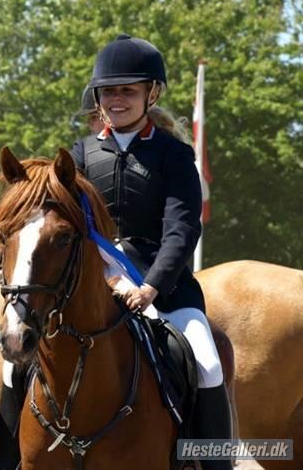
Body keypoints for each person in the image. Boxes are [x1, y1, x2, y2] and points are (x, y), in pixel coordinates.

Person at [70, 34, 232, 470]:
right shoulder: (80, 155)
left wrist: (151, 287)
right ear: (98, 98)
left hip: (166, 287)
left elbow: (181, 229)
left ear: (151, 93)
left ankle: (211, 462)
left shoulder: (174, 155)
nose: (117, 99)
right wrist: (107, 278)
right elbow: (73, 228)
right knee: (18, 366)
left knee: (206, 362)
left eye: (128, 90)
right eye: (109, 91)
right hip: (94, 283)